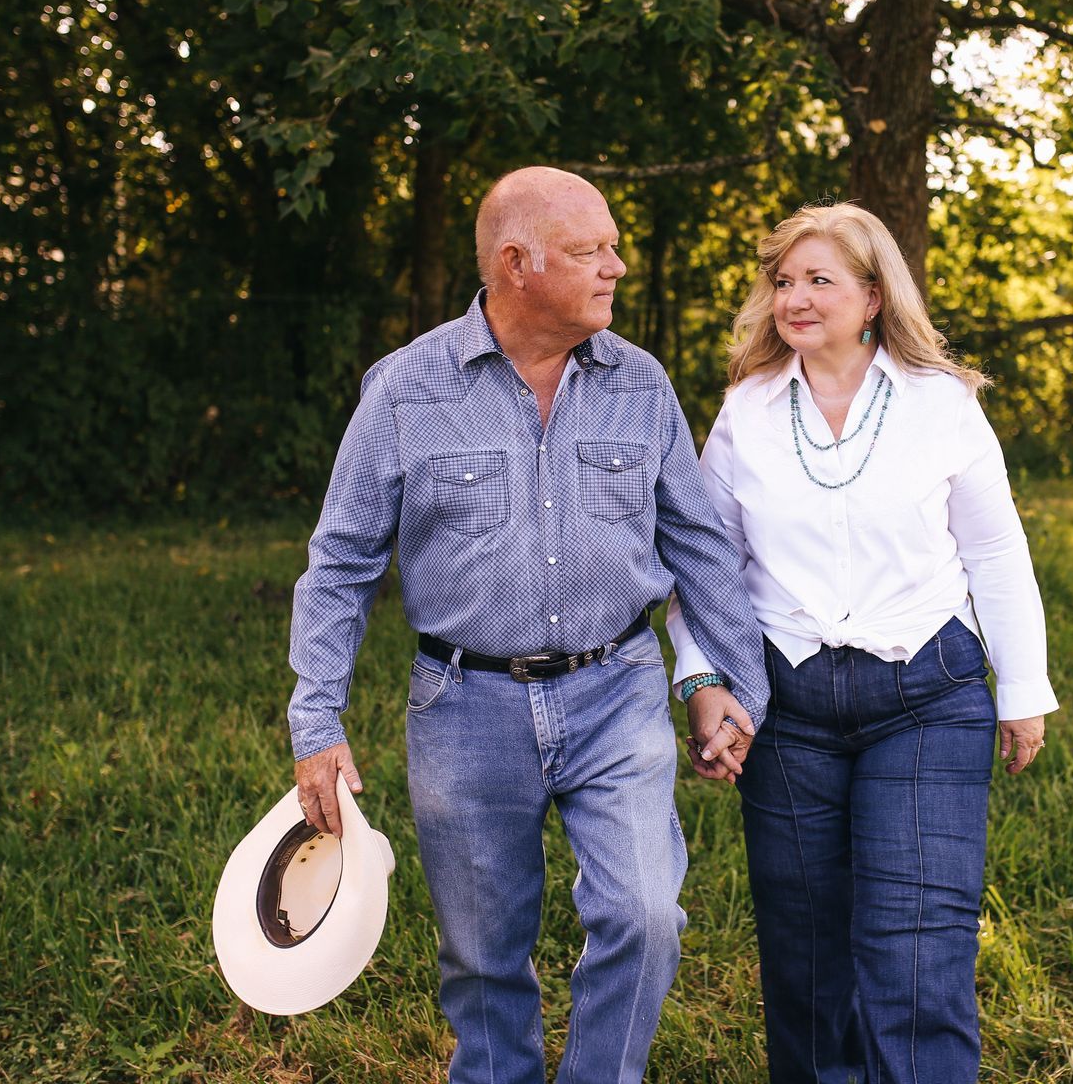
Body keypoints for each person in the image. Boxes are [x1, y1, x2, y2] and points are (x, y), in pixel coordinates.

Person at [286, 166, 765, 1084]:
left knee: (645, 916)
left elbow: (701, 546)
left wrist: (739, 687)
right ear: (517, 264)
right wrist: (317, 719)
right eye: (591, 251)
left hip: (616, 688)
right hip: (464, 705)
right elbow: (341, 562)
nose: (617, 267)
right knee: (482, 956)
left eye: (614, 247)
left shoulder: (639, 383)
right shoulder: (407, 390)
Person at [668, 202, 1058, 1084]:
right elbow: (705, 566)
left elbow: (996, 552)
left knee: (916, 950)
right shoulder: (747, 411)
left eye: (820, 280)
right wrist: (704, 680)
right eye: (783, 282)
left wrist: (1022, 690)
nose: (795, 298)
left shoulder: (940, 404)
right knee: (805, 958)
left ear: (875, 296)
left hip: (926, 698)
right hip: (788, 710)